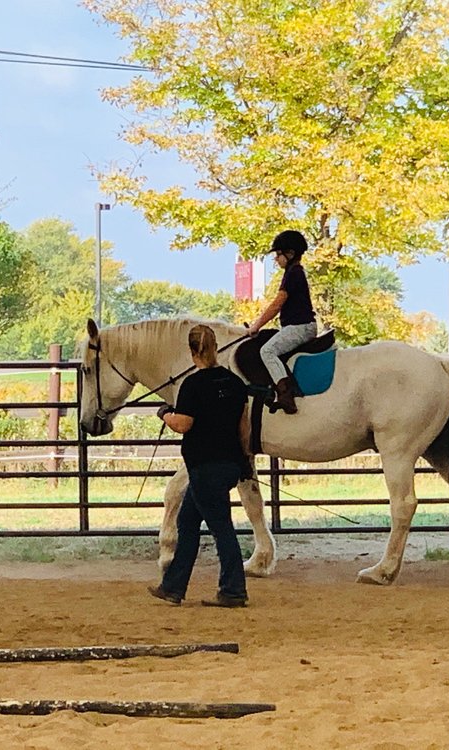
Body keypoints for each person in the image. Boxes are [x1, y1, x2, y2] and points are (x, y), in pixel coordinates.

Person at [147, 324, 250, 608]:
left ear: (193, 351)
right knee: (188, 522)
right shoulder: (235, 384)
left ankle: (233, 590)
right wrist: (244, 461)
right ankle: (173, 586)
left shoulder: (192, 385)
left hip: (204, 466)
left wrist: (166, 414)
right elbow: (244, 429)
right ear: (215, 348)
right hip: (228, 463)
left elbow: (184, 424)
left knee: (222, 528)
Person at [246, 229, 317, 414]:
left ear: (290, 254)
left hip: (301, 327)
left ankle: (286, 396)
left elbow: (277, 305)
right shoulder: (292, 272)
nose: (276, 259)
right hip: (296, 326)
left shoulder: (294, 273)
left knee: (267, 351)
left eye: (278, 254)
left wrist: (256, 326)